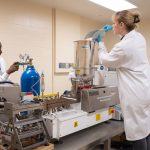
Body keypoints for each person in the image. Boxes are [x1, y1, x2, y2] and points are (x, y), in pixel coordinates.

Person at [97, 10, 150, 150]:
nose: (112, 25)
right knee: (144, 129)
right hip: (144, 90)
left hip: (135, 95)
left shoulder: (124, 46)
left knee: (137, 133)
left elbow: (105, 60)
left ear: (121, 24)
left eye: (114, 23)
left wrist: (100, 42)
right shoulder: (139, 37)